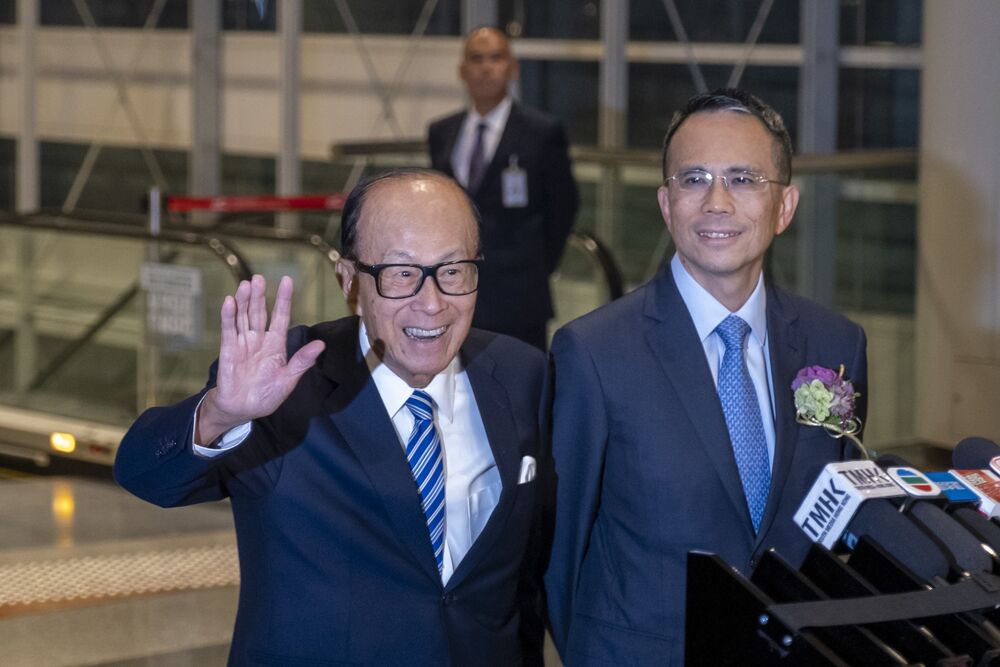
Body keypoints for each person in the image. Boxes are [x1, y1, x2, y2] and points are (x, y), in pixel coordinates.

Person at [115, 170, 548, 666]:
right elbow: (143, 474)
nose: (432, 303)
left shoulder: (520, 374)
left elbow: (524, 575)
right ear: (349, 282)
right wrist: (219, 413)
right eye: (400, 273)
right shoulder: (287, 383)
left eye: (453, 271)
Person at [543, 89, 868, 665]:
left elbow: (830, 518)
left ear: (785, 207)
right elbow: (558, 553)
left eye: (744, 179)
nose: (717, 202)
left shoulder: (835, 344)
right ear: (667, 205)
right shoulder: (593, 353)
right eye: (694, 179)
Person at [428, 26, 579, 350]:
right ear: (462, 70)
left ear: (512, 68)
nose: (486, 67)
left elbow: (562, 208)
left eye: (496, 58)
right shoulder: (442, 132)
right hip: (451, 295)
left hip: (519, 298)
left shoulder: (542, 132)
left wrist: (535, 265)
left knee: (522, 393)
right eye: (477, 58)